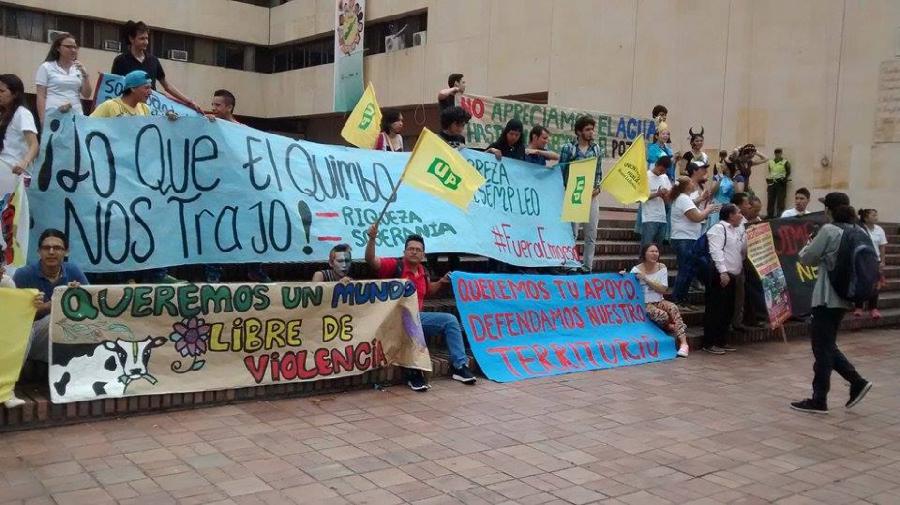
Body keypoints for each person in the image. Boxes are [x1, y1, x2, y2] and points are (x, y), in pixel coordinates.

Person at [365, 224, 476, 390]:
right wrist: (372, 239)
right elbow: (371, 260)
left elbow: (428, 291)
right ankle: (413, 372)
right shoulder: (395, 266)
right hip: (395, 320)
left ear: (423, 254)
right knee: (412, 323)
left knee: (450, 320)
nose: (414, 252)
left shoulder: (423, 271)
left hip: (418, 318)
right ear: (404, 252)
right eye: (411, 249)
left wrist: (441, 282)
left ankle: (459, 366)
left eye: (418, 250)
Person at [791, 193, 872, 414]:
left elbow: (807, 258)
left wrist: (809, 243)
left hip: (826, 297)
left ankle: (821, 399)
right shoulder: (859, 230)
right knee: (826, 345)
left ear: (829, 210)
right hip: (845, 296)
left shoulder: (829, 230)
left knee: (822, 348)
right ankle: (856, 382)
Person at [203, 89, 271, 283]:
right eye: (213, 104)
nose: (213, 108)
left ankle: (254, 268)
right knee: (216, 229)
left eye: (217, 105)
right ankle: (213, 272)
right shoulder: (208, 124)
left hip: (240, 191)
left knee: (248, 229)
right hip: (216, 189)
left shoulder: (242, 131)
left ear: (229, 107)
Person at [13, 229, 88, 365]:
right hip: (29, 337)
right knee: (54, 320)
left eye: (57, 248)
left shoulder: (73, 270)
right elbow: (14, 319)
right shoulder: (23, 275)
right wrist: (49, 306)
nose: (51, 252)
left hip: (64, 337)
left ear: (66, 252)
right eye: (46, 248)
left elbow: (90, 304)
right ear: (39, 252)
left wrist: (78, 296)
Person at [111, 20, 201, 112]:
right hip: (127, 110)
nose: (146, 42)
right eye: (142, 38)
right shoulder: (120, 60)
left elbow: (167, 86)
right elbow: (114, 87)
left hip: (150, 110)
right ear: (131, 39)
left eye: (147, 38)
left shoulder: (153, 60)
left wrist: (189, 102)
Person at [626, 244, 689, 358]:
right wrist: (622, 275)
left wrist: (646, 279)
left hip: (659, 300)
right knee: (662, 315)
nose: (655, 254)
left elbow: (663, 289)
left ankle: (684, 343)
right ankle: (669, 326)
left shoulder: (662, 267)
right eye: (651, 251)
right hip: (644, 303)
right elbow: (628, 287)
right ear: (644, 254)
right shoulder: (636, 270)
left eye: (656, 251)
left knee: (673, 307)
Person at [559, 116, 603, 272]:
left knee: (591, 233)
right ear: (579, 132)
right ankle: (570, 264)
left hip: (591, 195)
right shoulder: (568, 148)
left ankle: (587, 266)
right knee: (572, 232)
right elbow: (562, 170)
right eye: (587, 129)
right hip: (574, 194)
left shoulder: (596, 149)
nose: (591, 132)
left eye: (592, 129)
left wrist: (597, 188)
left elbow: (598, 172)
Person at [669, 176, 720, 309]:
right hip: (685, 239)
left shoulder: (683, 198)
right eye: (691, 182)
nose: (693, 183)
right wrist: (708, 209)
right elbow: (696, 217)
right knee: (686, 270)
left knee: (689, 269)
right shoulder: (684, 199)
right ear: (686, 186)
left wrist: (702, 199)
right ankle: (679, 299)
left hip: (685, 238)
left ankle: (682, 299)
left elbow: (692, 205)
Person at [702, 204, 746, 355]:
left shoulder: (737, 230)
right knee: (716, 309)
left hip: (733, 275)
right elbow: (716, 251)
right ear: (731, 215)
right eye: (739, 212)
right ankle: (709, 342)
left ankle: (721, 340)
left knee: (727, 309)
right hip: (720, 275)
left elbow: (741, 251)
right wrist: (723, 272)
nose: (741, 215)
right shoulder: (718, 229)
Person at [0, 261, 43, 408]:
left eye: (1, 265)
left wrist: (31, 304)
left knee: (25, 331)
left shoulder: (5, 282)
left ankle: (6, 391)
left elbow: (15, 314)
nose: (2, 270)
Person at [35, 32, 92, 125]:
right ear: (58, 48)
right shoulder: (46, 67)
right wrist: (42, 119)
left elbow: (87, 95)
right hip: (54, 116)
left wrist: (85, 75)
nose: (73, 50)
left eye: (75, 47)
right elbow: (41, 95)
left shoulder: (78, 68)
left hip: (76, 116)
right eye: (68, 47)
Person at [0, 75, 38, 200]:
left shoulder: (22, 113)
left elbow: (34, 145)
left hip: (15, 171)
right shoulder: (2, 114)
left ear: (15, 94)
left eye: (2, 91)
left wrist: (24, 162)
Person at [853, 209, 887, 320]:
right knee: (860, 283)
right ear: (866, 218)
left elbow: (882, 247)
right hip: (862, 260)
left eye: (876, 214)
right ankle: (859, 307)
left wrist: (882, 261)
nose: (876, 217)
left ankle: (873, 308)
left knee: (875, 285)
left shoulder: (879, 230)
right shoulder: (860, 229)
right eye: (873, 215)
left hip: (875, 260)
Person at [640, 156, 673, 253]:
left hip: (662, 218)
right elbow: (639, 198)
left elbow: (668, 201)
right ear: (656, 165)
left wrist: (665, 195)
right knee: (646, 248)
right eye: (661, 170)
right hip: (649, 217)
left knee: (657, 249)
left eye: (665, 171)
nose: (662, 173)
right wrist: (657, 194)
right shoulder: (646, 176)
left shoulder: (665, 178)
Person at [90, 70, 154, 118]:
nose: (150, 92)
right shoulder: (109, 106)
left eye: (150, 88)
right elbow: (89, 125)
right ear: (133, 88)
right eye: (146, 88)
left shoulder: (145, 109)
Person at [706, 160, 746, 227]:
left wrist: (735, 180)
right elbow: (712, 192)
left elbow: (739, 195)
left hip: (729, 206)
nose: (721, 165)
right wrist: (720, 179)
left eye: (724, 164)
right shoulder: (717, 176)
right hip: (717, 205)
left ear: (728, 166)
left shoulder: (738, 178)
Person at [766, 148, 791, 218]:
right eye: (776, 153)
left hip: (781, 183)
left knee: (781, 200)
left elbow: (788, 172)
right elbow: (770, 170)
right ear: (774, 154)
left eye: (779, 153)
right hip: (771, 182)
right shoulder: (771, 162)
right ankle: (770, 215)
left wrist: (784, 178)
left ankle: (779, 216)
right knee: (770, 199)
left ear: (781, 153)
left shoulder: (785, 162)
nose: (777, 154)